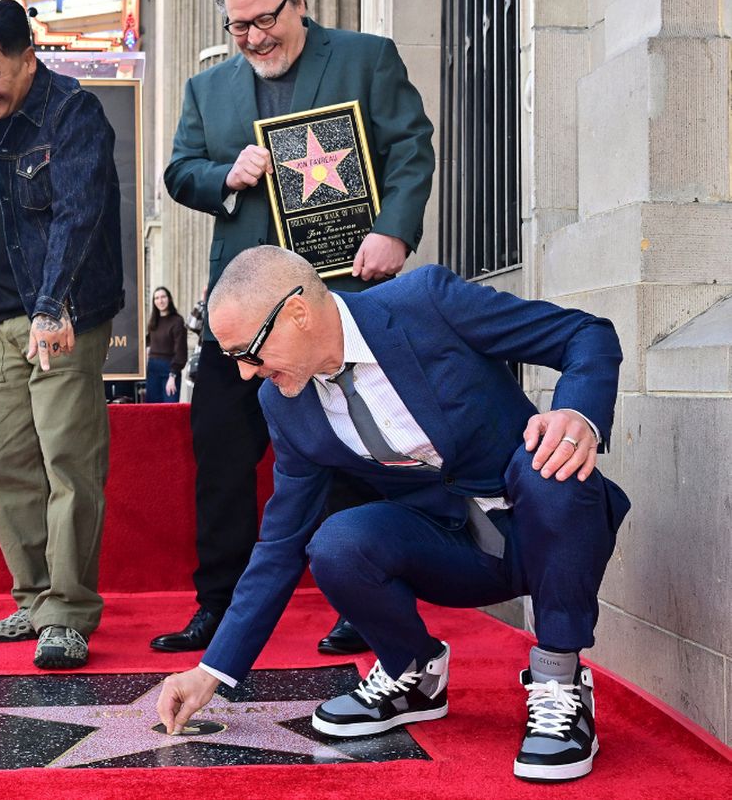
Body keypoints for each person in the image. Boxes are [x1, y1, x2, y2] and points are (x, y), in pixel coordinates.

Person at [156, 247, 629, 783]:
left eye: (250, 352)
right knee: (336, 542)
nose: (246, 374)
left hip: (548, 527)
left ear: (298, 313)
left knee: (550, 464)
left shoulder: (425, 302)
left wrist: (578, 415)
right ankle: (413, 672)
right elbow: (281, 541)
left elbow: (586, 333)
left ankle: (560, 685)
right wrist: (212, 671)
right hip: (452, 552)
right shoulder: (285, 403)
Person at [154, 0, 435, 656]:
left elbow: (410, 148)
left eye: (263, 19)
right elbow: (179, 173)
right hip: (243, 310)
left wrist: (393, 232)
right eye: (237, 26)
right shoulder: (206, 90)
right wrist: (225, 173)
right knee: (220, 457)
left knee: (355, 451)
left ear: (299, 1)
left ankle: (361, 603)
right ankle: (214, 606)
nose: (252, 37)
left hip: (338, 303)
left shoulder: (366, 58)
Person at [0, 0, 124, 670]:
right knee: (7, 466)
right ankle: (33, 598)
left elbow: (77, 216)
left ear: (26, 57)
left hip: (61, 316)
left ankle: (68, 613)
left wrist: (51, 307)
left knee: (68, 464)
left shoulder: (72, 113)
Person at [144, 287, 187, 403]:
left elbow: (181, 351)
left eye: (163, 297)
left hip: (169, 369)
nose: (160, 301)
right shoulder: (153, 321)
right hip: (152, 369)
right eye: (156, 298)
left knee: (169, 409)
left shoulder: (177, 321)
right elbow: (148, 340)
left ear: (169, 299)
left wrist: (172, 376)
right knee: (152, 410)